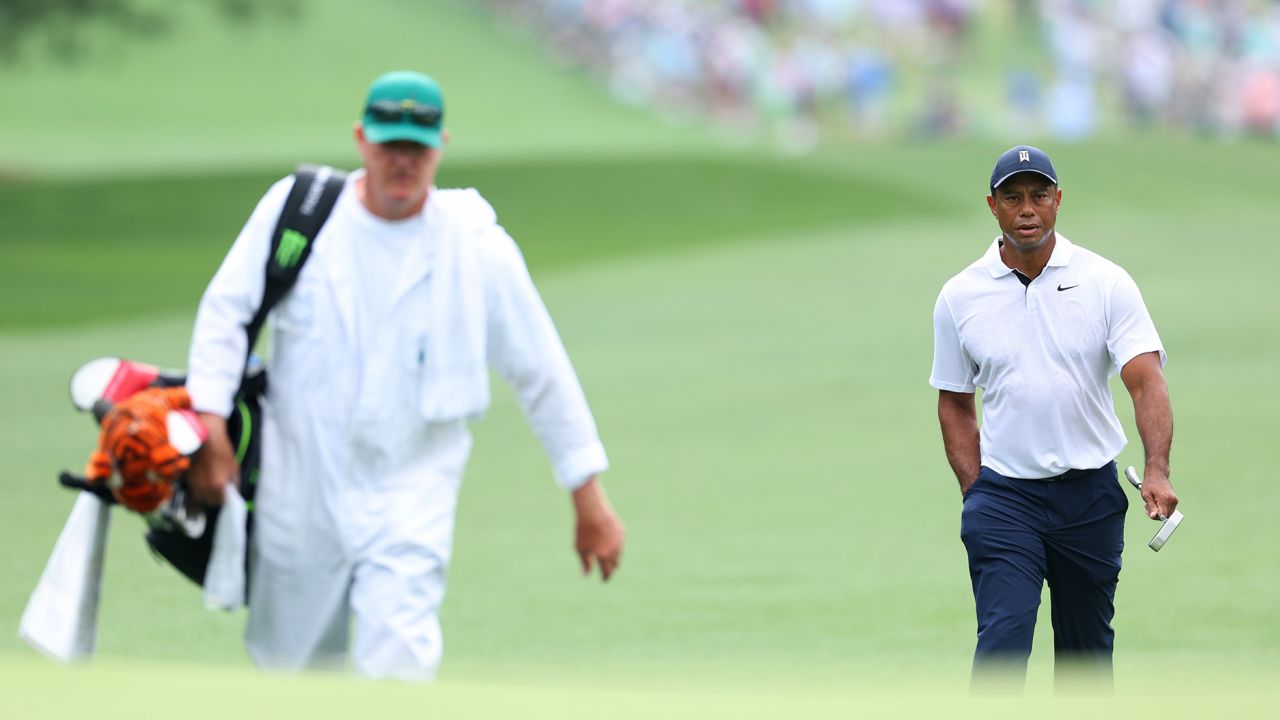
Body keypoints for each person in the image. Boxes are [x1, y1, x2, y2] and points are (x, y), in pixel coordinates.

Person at [183, 70, 625, 681]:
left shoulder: (477, 249)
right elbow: (225, 314)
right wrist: (208, 424)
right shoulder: (300, 215)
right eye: (390, 144)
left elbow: (540, 369)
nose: (403, 161)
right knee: (292, 674)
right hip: (301, 485)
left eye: (417, 147)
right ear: (363, 140)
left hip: (411, 493)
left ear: (441, 145)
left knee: (399, 666)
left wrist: (587, 495)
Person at [929, 145, 1178, 687]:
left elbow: (1145, 379)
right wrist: (977, 493)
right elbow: (954, 400)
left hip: (1089, 496)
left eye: (1039, 195)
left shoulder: (1105, 281)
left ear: (1058, 200)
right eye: (1013, 197)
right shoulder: (960, 295)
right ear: (991, 206)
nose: (1027, 209)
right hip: (1004, 499)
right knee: (1001, 647)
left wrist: (1156, 466)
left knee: (1085, 662)